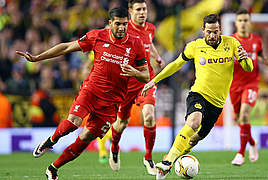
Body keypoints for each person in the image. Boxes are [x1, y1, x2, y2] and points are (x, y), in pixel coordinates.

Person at [16, 7, 150, 180]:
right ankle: (50, 141)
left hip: (112, 102)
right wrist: (37, 58)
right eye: (118, 24)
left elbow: (146, 75)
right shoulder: (97, 36)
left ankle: (53, 168)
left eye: (125, 24)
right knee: (73, 122)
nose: (122, 28)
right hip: (91, 91)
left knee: (86, 138)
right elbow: (66, 47)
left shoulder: (136, 43)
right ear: (110, 24)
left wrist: (134, 72)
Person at [142, 13, 253, 180]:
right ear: (203, 30)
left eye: (215, 31)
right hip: (198, 95)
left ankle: (169, 158)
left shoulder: (231, 43)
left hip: (217, 104)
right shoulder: (195, 46)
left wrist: (245, 59)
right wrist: (154, 80)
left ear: (220, 30)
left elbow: (249, 68)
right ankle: (167, 164)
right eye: (209, 31)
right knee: (193, 122)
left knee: (194, 140)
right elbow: (176, 64)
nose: (212, 35)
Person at [99, 0, 165, 175]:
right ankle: (114, 147)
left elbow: (148, 43)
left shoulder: (150, 28)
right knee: (121, 123)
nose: (142, 12)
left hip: (146, 79)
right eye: (138, 9)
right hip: (126, 82)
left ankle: (149, 158)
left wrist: (157, 57)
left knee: (149, 116)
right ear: (130, 11)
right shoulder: (123, 29)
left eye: (144, 9)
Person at [229, 9, 268, 166]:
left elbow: (259, 54)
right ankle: (253, 143)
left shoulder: (257, 40)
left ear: (250, 22)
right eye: (240, 20)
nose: (243, 23)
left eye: (246, 20)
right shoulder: (230, 41)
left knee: (245, 114)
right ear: (235, 23)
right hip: (234, 85)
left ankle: (240, 153)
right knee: (240, 120)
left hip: (252, 83)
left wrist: (264, 60)